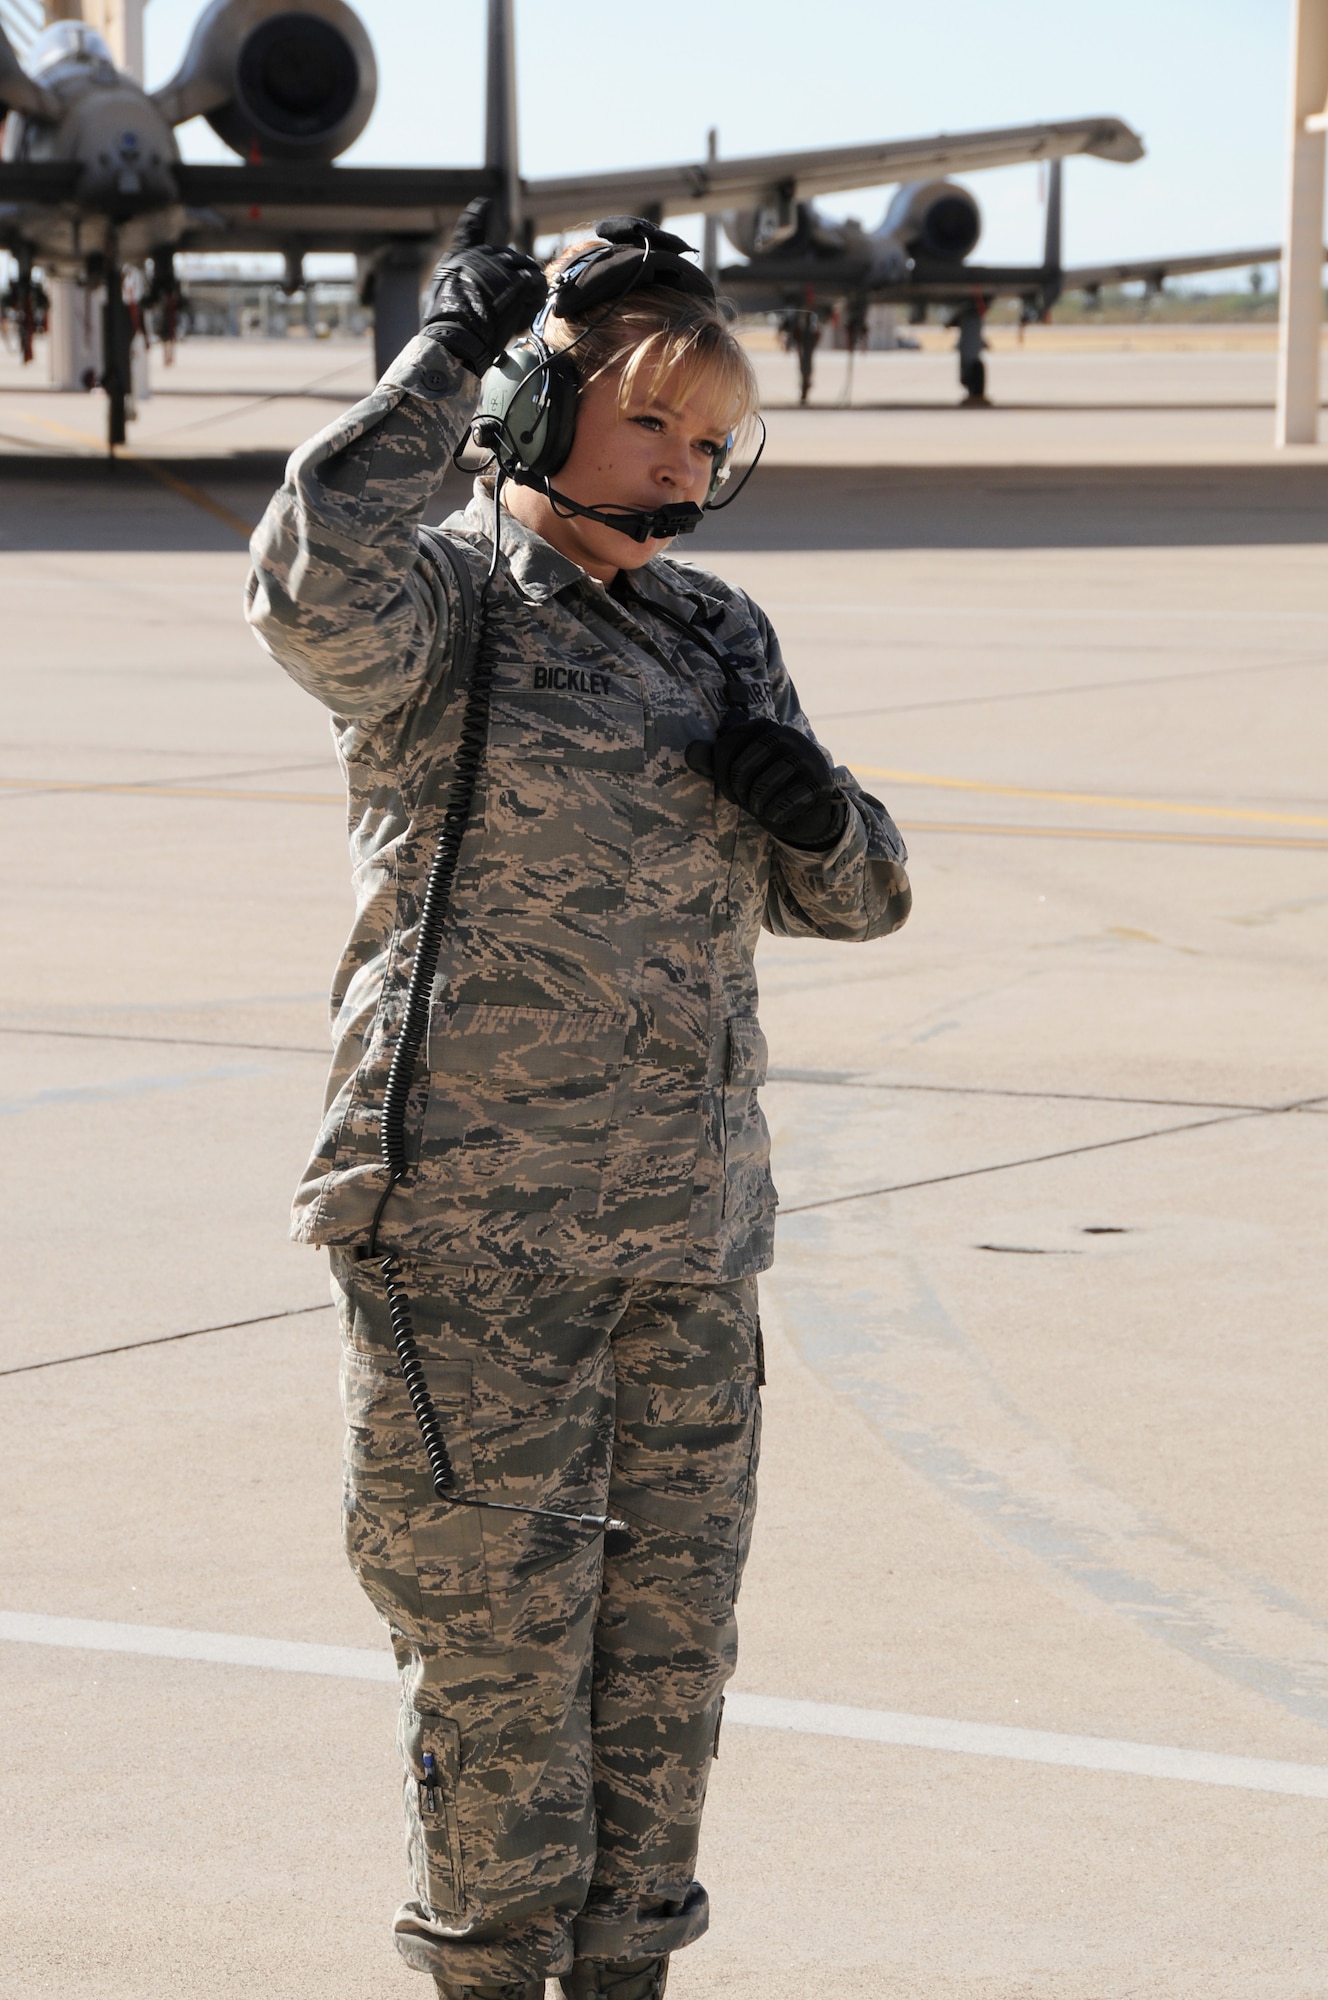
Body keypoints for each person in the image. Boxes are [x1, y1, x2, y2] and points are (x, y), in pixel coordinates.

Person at [245, 204, 911, 2000]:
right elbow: (305, 577)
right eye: (650, 426)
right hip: (467, 1238)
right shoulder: (440, 606)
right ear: (540, 417)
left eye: (713, 442)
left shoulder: (717, 632)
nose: (687, 472)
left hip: (685, 1247)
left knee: (666, 1664)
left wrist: (817, 812)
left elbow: (864, 898)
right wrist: (444, 359)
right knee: (500, 1662)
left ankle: (626, 1979)